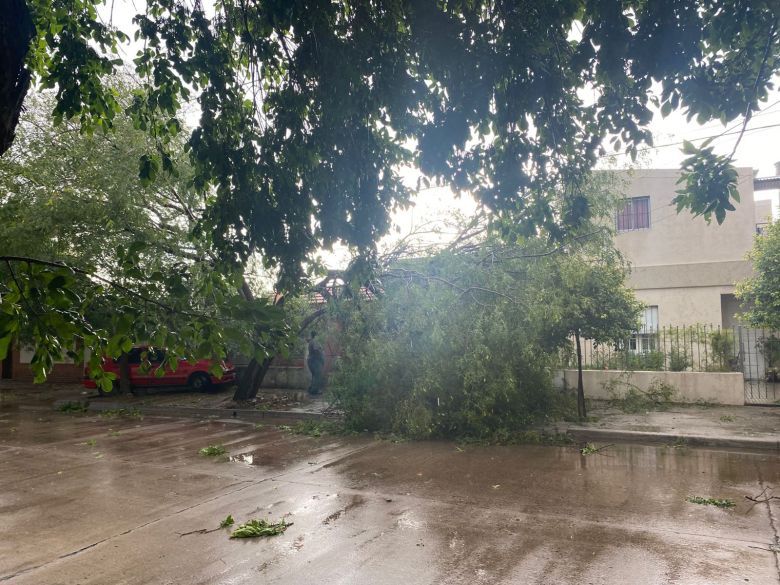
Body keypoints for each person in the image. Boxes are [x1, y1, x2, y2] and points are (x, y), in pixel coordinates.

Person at [306, 330, 326, 396]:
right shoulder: (314, 341)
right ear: (316, 335)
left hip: (311, 360)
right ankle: (314, 390)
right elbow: (316, 350)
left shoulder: (311, 341)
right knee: (317, 375)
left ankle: (311, 389)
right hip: (315, 360)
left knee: (314, 375)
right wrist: (320, 354)